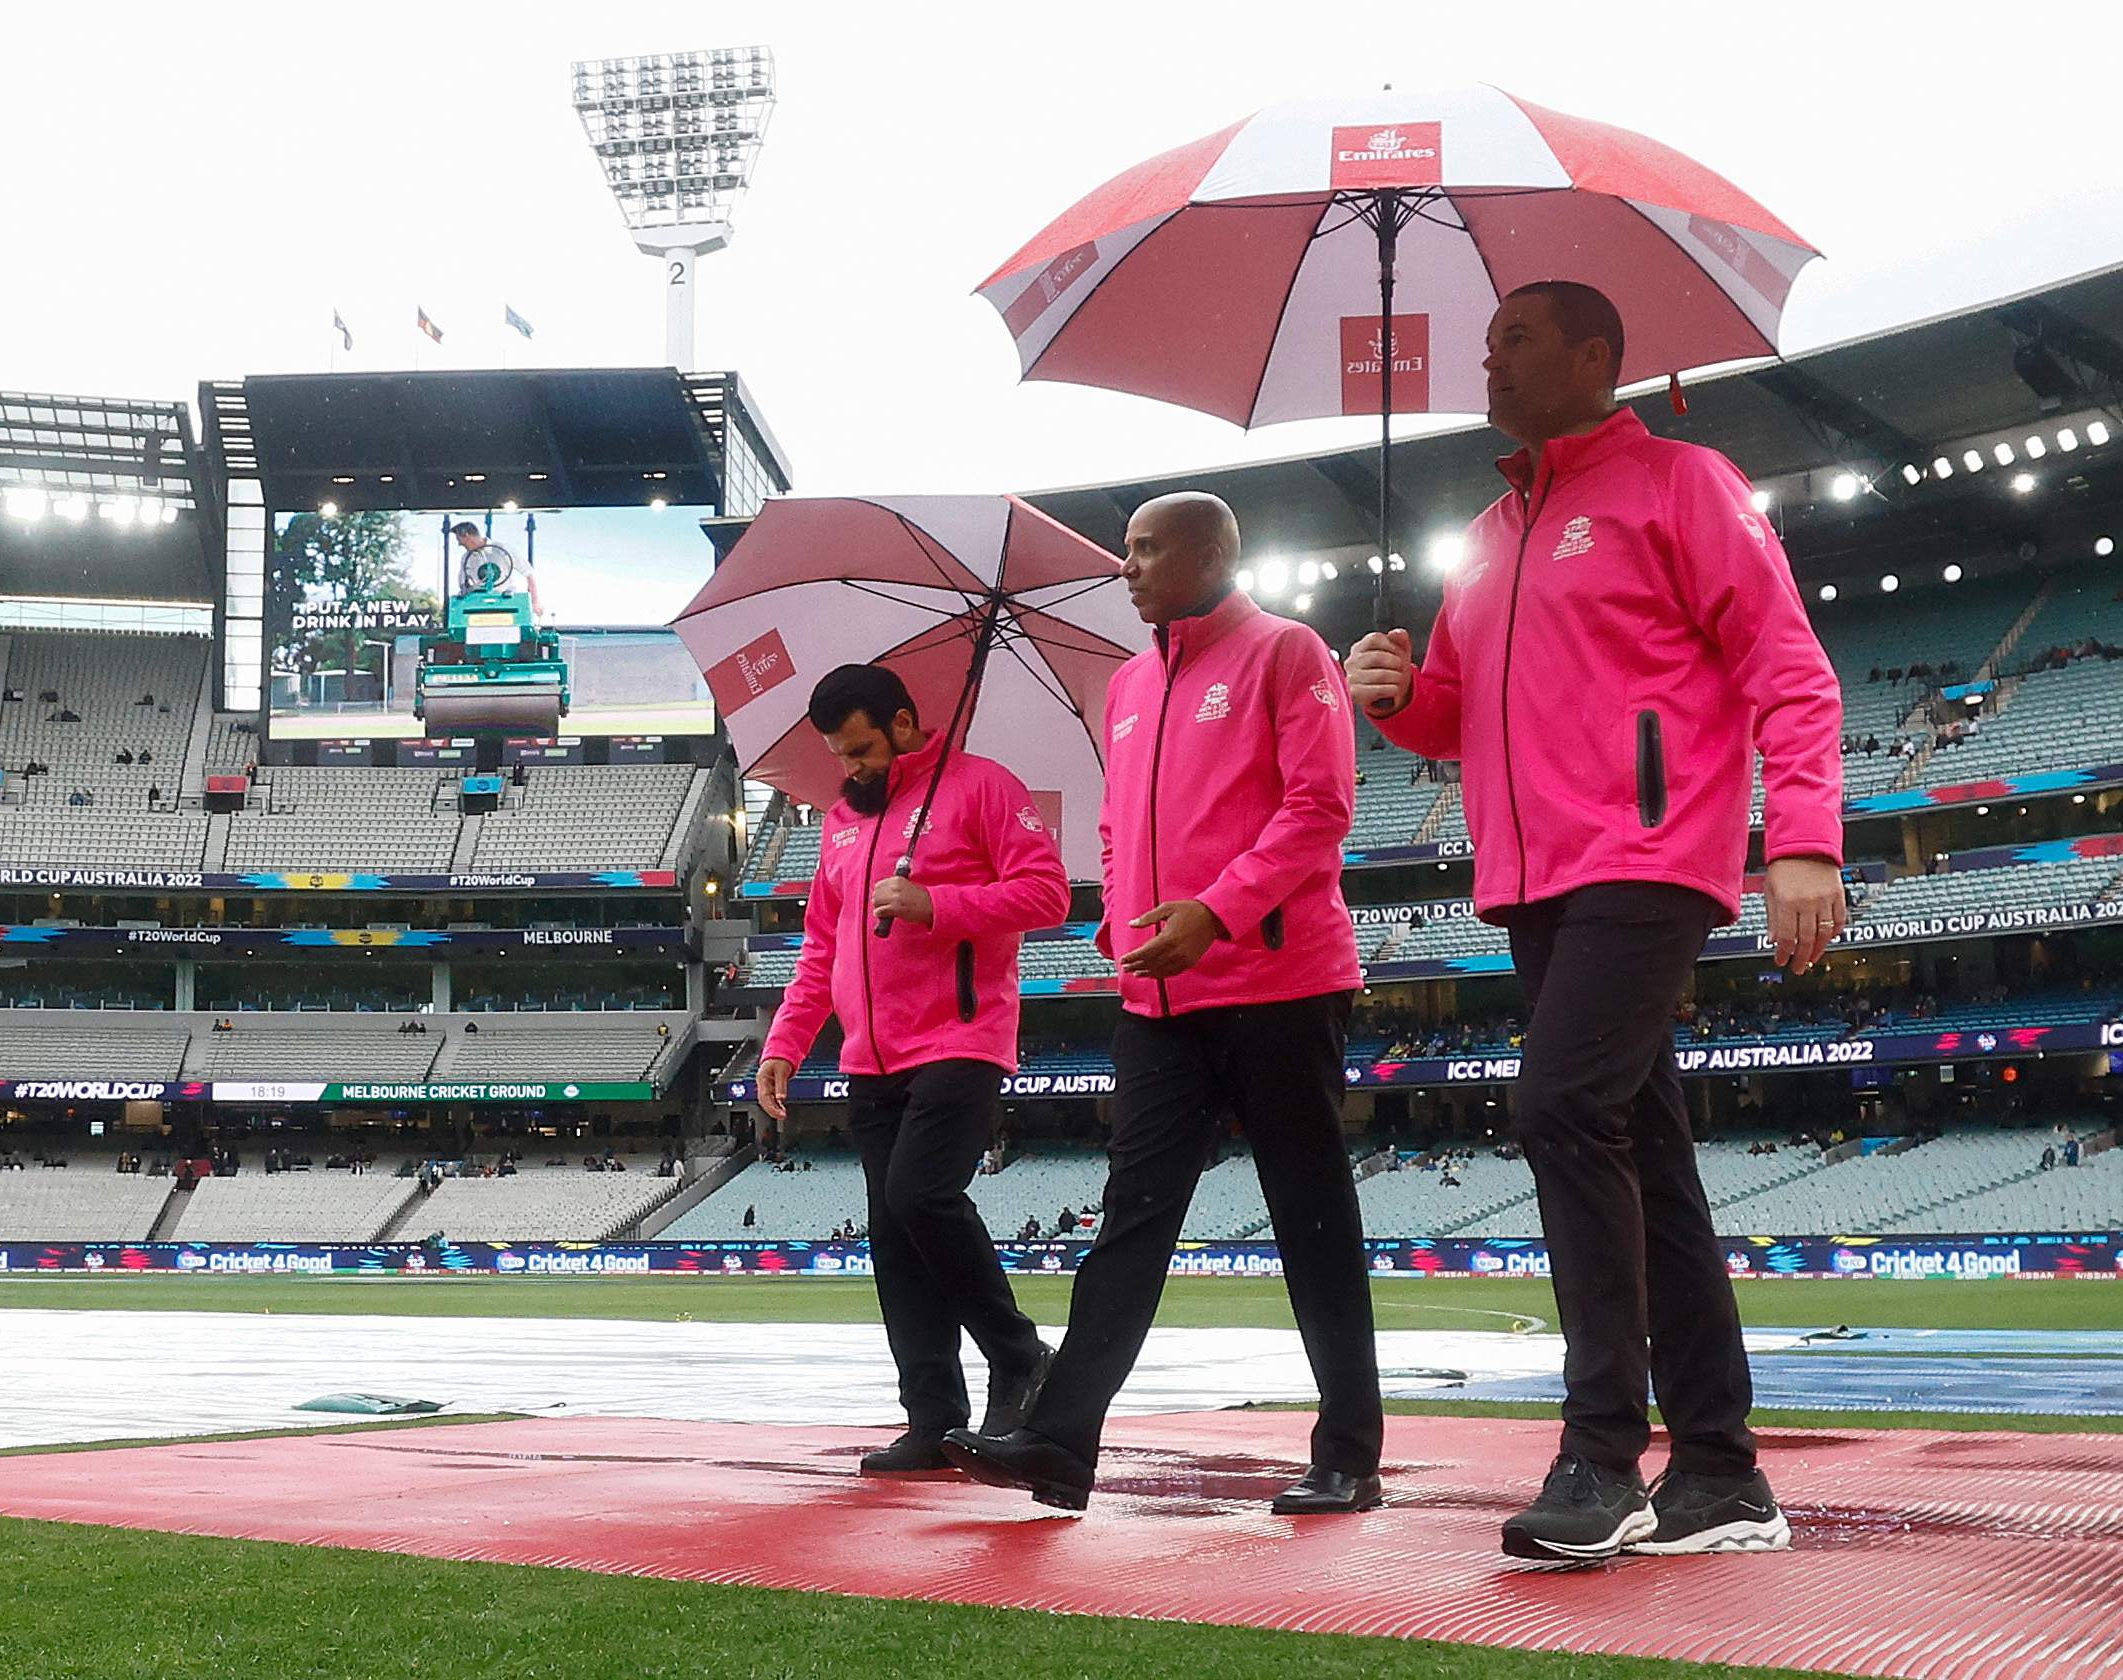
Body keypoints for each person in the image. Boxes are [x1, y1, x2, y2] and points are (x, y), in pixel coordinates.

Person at [1343, 280, 1844, 1561]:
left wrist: (1798, 842)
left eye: (1511, 339)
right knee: (1648, 1160)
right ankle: (1722, 1476)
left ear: (1594, 354)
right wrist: (1394, 697)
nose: (1486, 361)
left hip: (1647, 850)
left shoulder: (1682, 483)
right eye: (1483, 339)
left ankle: (1601, 1454)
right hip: (1531, 877)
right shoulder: (1485, 533)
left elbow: (1785, 668)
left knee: (1557, 1106)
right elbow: (1454, 717)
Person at [943, 492, 1381, 1518]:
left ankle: (1347, 1452)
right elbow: (1113, 826)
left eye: (1145, 550)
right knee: (1129, 1220)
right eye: (1125, 549)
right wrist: (1119, 918)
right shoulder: (1129, 683)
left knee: (1310, 1219)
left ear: (1209, 553)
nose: (1126, 566)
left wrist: (1216, 913)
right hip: (1155, 997)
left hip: (1277, 983)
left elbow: (1319, 810)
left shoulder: (1285, 652)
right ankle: (1056, 1444)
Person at [755, 662, 1070, 1478]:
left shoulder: (982, 788)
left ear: (903, 724)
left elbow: (1047, 896)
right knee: (894, 1242)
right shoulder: (840, 823)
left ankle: (1018, 1353)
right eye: (838, 755)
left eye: (861, 749)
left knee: (919, 1195)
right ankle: (932, 1420)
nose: (849, 768)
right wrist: (786, 1042)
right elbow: (821, 948)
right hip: (869, 1056)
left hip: (961, 1037)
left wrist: (940, 904)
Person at [450, 520, 541, 607]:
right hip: (478, 604)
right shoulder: (466, 558)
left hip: (505, 602)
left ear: (467, 536)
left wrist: (535, 602)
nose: (459, 544)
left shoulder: (503, 550)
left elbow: (528, 572)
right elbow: (463, 583)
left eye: (460, 539)